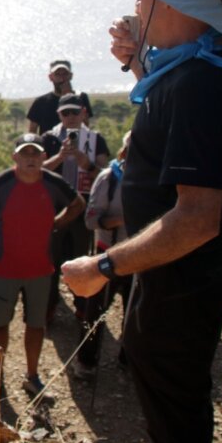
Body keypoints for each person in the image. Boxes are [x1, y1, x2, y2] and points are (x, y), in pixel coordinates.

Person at [61, 0, 222, 443]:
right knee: (162, 370)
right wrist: (140, 59)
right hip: (191, 267)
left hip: (185, 269)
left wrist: (103, 265)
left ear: (172, 2)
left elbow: (197, 217)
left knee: (169, 382)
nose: (136, 5)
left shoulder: (200, 85)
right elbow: (172, 89)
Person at [0, 134, 83, 400]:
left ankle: (32, 377)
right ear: (15, 157)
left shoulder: (53, 183)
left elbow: (77, 205)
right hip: (4, 268)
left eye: (35, 154)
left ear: (43, 157)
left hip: (41, 268)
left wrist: (56, 225)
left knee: (36, 325)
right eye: (24, 154)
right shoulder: (0, 182)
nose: (30, 159)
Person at [41, 92, 110, 375]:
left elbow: (106, 173)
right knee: (50, 262)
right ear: (59, 115)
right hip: (53, 210)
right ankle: (47, 309)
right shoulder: (48, 139)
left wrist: (86, 163)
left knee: (81, 259)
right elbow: (36, 170)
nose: (70, 117)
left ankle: (83, 308)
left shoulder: (96, 140)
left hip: (82, 211)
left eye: (75, 112)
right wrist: (60, 157)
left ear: (83, 113)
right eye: (65, 113)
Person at [82, 130, 133, 369]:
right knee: (95, 314)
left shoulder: (154, 181)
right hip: (108, 255)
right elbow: (91, 220)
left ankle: (127, 360)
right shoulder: (108, 178)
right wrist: (121, 221)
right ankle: (86, 363)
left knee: (135, 316)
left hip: (140, 260)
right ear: (124, 152)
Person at [27, 59, 93, 135]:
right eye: (57, 74)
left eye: (65, 74)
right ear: (51, 77)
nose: (62, 78)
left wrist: (69, 97)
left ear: (71, 76)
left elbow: (85, 125)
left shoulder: (81, 98)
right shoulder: (40, 102)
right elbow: (32, 131)